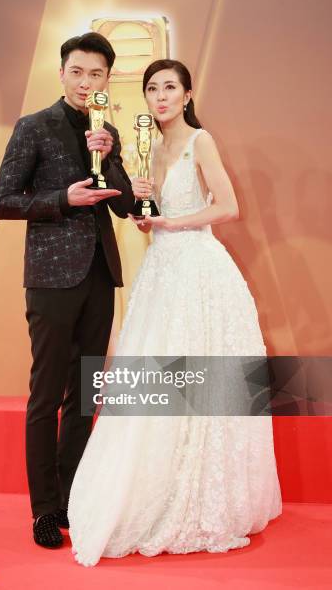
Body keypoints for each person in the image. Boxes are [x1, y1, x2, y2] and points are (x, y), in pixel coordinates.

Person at [68, 59, 282, 566]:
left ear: (187, 95)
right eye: (152, 89)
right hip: (161, 271)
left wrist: (173, 221)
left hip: (201, 273)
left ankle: (207, 495)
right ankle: (159, 489)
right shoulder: (147, 147)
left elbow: (228, 207)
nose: (160, 96)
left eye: (169, 88)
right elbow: (146, 219)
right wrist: (146, 216)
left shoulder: (198, 141)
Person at [0, 32, 135, 549]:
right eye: (77, 71)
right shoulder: (34, 126)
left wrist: (111, 155)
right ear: (62, 73)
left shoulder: (107, 130)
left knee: (85, 394)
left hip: (99, 275)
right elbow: (3, 200)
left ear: (106, 80)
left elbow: (120, 206)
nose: (85, 81)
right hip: (51, 277)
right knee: (46, 395)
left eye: (96, 74)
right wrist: (61, 198)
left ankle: (74, 495)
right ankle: (44, 510)